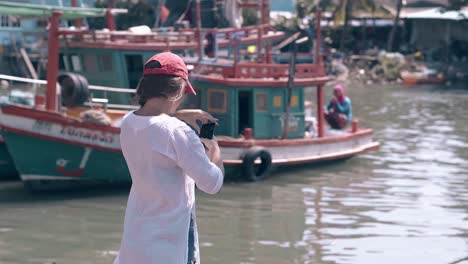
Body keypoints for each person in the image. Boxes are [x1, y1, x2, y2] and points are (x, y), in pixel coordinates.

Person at [114, 52, 224, 264]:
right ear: (178, 90)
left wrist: (178, 116)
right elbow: (212, 184)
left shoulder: (128, 123)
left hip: (136, 244)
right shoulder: (178, 132)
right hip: (171, 248)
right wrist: (215, 149)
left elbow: (152, 124)